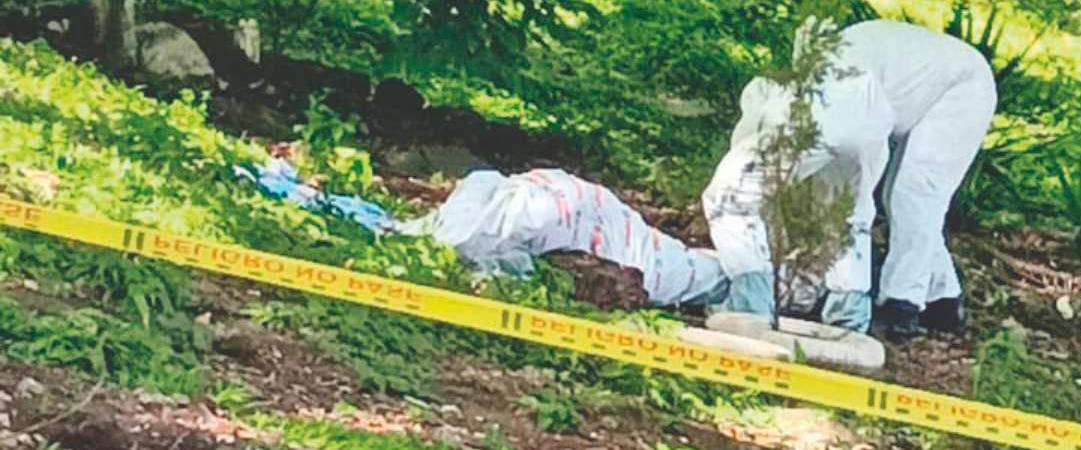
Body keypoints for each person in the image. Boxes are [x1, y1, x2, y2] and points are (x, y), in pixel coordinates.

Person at [702, 19, 997, 340]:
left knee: (915, 194)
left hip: (961, 86)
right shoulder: (813, 89)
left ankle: (902, 304)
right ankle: (939, 299)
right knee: (857, 203)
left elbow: (744, 190)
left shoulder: (797, 109)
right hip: (876, 107)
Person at [238, 156, 729, 308]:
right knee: (423, 234)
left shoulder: (663, 261)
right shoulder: (667, 268)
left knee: (407, 231)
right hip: (554, 208)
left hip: (555, 201)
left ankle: (293, 192)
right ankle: (297, 194)